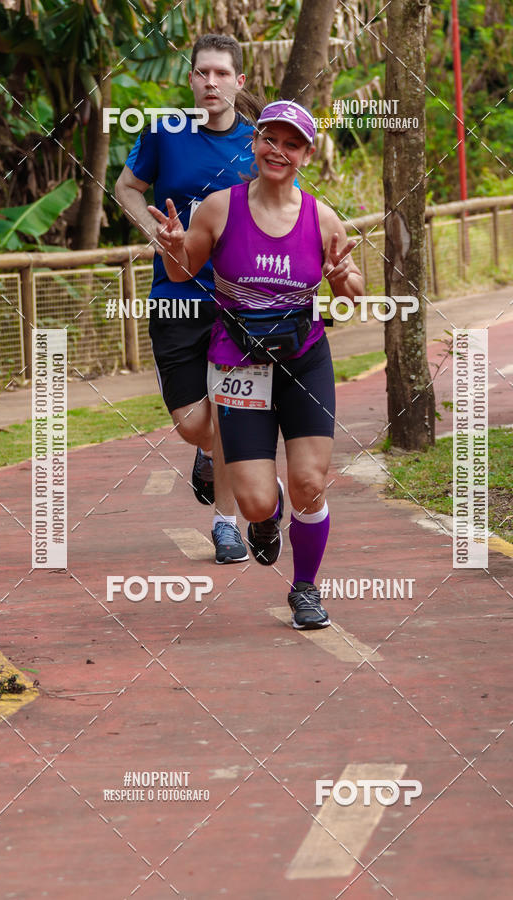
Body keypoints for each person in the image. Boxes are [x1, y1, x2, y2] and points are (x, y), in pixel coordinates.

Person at [151, 100, 364, 629]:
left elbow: (356, 290)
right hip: (237, 360)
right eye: (271, 139)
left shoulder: (322, 216)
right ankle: (265, 521)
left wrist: (341, 279)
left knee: (310, 482)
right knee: (253, 501)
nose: (279, 150)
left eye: (292, 144)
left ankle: (306, 587)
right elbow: (182, 274)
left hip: (303, 358)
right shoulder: (220, 208)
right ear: (256, 143)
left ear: (306, 155)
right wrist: (174, 246)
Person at [115, 34, 258, 563]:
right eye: (202, 73)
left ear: (238, 82)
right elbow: (126, 187)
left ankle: (227, 523)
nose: (211, 82)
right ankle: (205, 453)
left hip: (234, 301)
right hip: (175, 294)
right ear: (191, 79)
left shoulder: (258, 142)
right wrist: (157, 238)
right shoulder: (164, 133)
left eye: (222, 73)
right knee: (193, 424)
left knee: (226, 408)